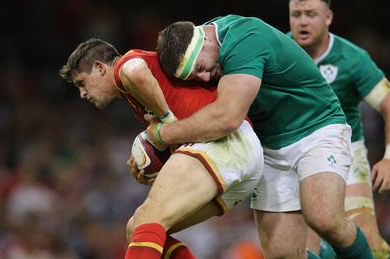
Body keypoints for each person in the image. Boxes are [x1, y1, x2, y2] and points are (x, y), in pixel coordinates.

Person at [155, 14, 374, 258]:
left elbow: (227, 118)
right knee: (283, 254)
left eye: (200, 69)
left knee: (323, 218)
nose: (205, 79)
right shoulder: (209, 44)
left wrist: (161, 133)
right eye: (194, 77)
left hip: (316, 128)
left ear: (204, 39)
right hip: (270, 146)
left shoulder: (243, 40)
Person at [59, 38, 265, 259]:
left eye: (82, 83)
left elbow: (134, 70)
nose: (82, 94)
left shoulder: (125, 66)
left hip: (224, 142)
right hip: (240, 156)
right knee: (137, 228)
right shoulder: (138, 98)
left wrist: (166, 119)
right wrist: (153, 166)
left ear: (100, 68)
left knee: (148, 219)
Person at [288, 0, 390, 258]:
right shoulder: (277, 51)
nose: (302, 21)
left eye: (311, 14)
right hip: (292, 153)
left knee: (368, 241)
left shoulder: (352, 58)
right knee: (305, 249)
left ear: (328, 17)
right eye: (296, 14)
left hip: (345, 151)